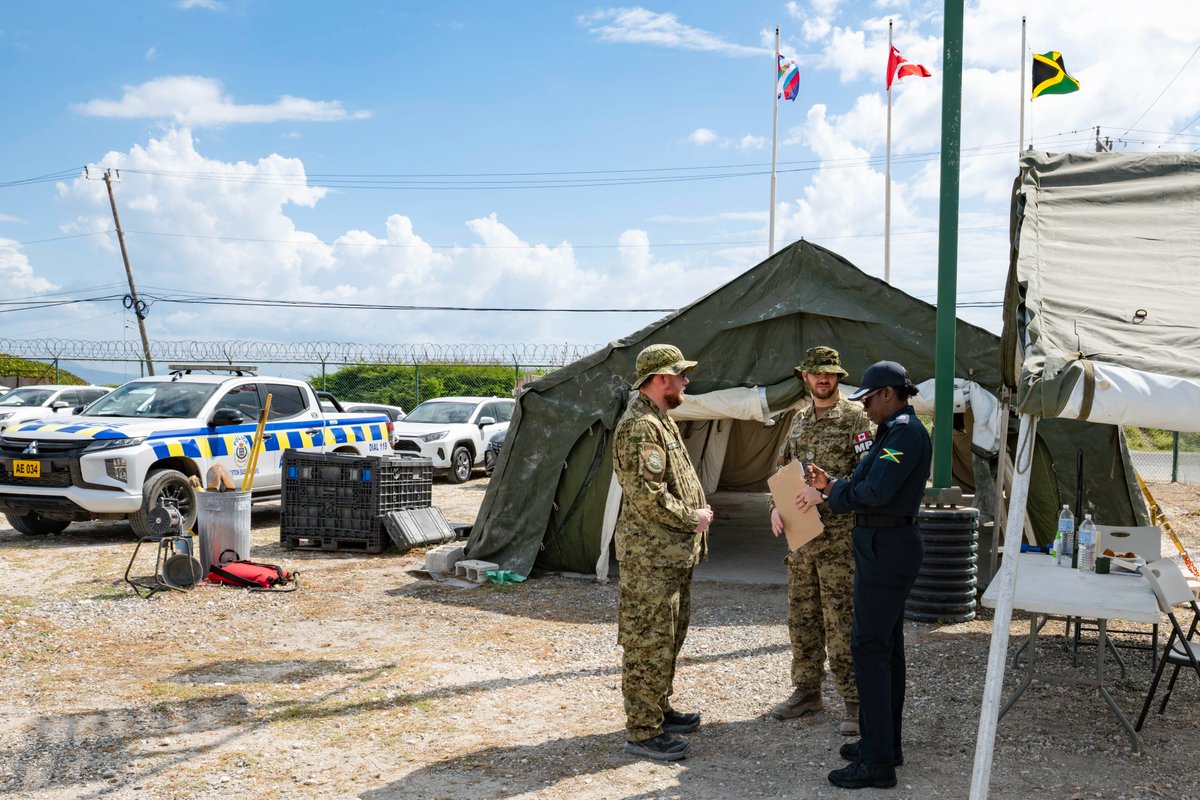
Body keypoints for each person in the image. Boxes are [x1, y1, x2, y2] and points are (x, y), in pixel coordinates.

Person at [795, 361, 931, 790]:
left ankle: (877, 762)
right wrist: (833, 483)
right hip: (881, 547)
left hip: (887, 548)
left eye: (868, 399)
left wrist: (830, 492)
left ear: (888, 393)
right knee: (884, 649)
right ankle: (884, 744)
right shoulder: (893, 431)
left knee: (869, 648)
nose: (865, 407)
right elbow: (867, 480)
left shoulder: (905, 432)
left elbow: (875, 492)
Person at [612, 343, 714, 762]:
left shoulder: (660, 420)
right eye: (681, 375)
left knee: (669, 636)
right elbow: (649, 496)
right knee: (648, 642)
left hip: (670, 556)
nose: (686, 381)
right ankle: (642, 732)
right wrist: (693, 518)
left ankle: (659, 708)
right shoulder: (639, 427)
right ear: (660, 380)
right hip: (651, 558)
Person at [768, 347, 874, 736]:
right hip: (801, 541)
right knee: (802, 619)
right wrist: (775, 507)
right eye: (816, 374)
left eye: (829, 374)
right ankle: (807, 691)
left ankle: (854, 699)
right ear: (805, 377)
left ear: (838, 377)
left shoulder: (856, 419)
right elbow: (780, 470)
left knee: (841, 620)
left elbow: (869, 477)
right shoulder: (797, 420)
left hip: (840, 543)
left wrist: (829, 492)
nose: (823, 380)